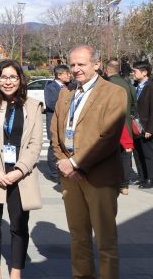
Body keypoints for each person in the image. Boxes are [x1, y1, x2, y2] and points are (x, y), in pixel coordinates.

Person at [50, 45, 126, 278]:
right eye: (72, 65)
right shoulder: (66, 93)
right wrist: (64, 162)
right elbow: (56, 132)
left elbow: (109, 137)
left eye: (81, 64)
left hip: (100, 177)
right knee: (78, 236)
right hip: (70, 178)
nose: (76, 69)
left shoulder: (114, 93)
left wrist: (76, 164)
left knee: (105, 240)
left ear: (96, 64)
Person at [0, 60, 44, 279]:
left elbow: (35, 144)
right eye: (3, 77)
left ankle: (16, 271)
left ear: (21, 79)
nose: (8, 81)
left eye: (13, 77)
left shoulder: (32, 106)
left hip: (21, 175)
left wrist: (19, 170)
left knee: (19, 226)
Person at [104, 60, 137, 194]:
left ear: (106, 71)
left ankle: (112, 183)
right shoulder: (127, 83)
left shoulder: (106, 85)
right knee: (125, 156)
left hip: (111, 125)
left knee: (111, 155)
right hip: (126, 125)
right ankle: (124, 185)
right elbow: (135, 103)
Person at [132, 60, 153, 189]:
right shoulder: (138, 86)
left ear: (144, 72)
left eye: (135, 71)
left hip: (146, 127)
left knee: (148, 154)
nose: (133, 73)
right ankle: (142, 176)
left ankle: (151, 179)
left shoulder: (152, 88)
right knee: (138, 153)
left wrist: (150, 129)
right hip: (137, 127)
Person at [43, 64, 71, 182]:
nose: (69, 75)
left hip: (67, 122)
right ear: (59, 75)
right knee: (53, 145)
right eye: (67, 73)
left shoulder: (70, 86)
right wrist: (65, 105)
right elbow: (50, 104)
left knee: (65, 144)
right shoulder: (50, 87)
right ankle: (54, 173)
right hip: (54, 120)